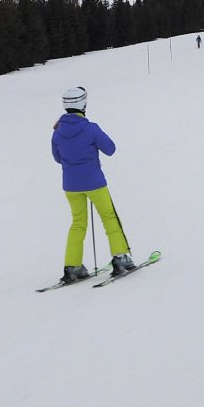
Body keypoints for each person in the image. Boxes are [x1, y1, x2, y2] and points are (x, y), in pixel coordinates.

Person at [51, 86, 135, 283]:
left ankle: (73, 267)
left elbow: (57, 158)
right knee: (109, 218)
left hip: (71, 186)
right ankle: (120, 258)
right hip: (95, 183)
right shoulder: (90, 128)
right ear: (83, 104)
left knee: (78, 223)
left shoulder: (57, 131)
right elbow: (110, 149)